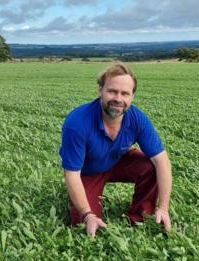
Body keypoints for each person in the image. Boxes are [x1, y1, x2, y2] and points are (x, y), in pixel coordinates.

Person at [59, 61, 172, 237]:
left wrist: (164, 207)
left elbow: (162, 161)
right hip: (88, 172)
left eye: (125, 93)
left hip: (117, 160)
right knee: (84, 225)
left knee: (151, 165)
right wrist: (87, 215)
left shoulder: (137, 119)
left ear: (132, 97)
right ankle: (85, 208)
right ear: (100, 91)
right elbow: (71, 174)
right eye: (112, 91)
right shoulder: (77, 123)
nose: (118, 99)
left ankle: (140, 216)